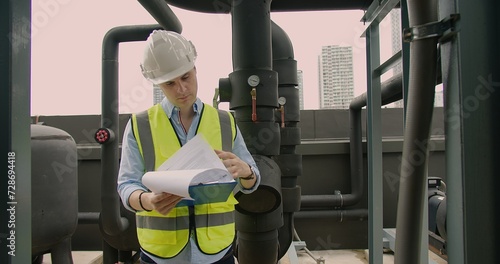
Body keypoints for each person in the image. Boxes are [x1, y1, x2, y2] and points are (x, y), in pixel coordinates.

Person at [117, 30, 260, 264]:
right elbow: (126, 185)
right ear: (158, 84)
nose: (181, 89)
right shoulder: (139, 125)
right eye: (170, 83)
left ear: (195, 70)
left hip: (217, 251)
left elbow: (251, 184)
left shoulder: (225, 121)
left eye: (185, 77)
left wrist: (247, 172)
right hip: (160, 254)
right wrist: (147, 201)